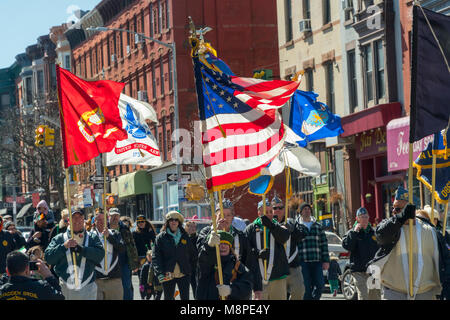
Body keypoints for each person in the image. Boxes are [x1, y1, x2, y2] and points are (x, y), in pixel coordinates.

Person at [368, 203, 450, 300]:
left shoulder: (431, 231)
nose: (394, 211)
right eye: (392, 208)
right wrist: (400, 218)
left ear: (411, 210)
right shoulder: (391, 227)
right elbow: (380, 235)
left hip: (424, 293)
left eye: (398, 209)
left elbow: (445, 261)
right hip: (394, 292)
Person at [44, 209, 104, 300]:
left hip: (88, 285)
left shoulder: (92, 237)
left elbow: (100, 255)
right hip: (66, 286)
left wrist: (82, 250)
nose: (77, 220)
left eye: (80, 217)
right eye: (74, 218)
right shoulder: (59, 238)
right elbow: (48, 258)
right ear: (68, 221)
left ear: (83, 219)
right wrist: (63, 247)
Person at [244, 198, 290, 300]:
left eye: (270, 211)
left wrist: (271, 226)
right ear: (259, 212)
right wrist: (258, 253)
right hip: (258, 279)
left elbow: (284, 237)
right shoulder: (250, 229)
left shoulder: (278, 225)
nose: (269, 214)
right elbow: (245, 251)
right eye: (265, 212)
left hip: (278, 276)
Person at [152, 211, 196, 300]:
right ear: (167, 222)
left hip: (184, 274)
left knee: (185, 298)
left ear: (179, 222)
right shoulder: (160, 238)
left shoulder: (185, 236)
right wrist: (159, 272)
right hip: (167, 274)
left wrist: (190, 269)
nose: (174, 222)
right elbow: (156, 257)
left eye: (176, 220)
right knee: (168, 298)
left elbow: (193, 254)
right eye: (171, 220)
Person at [197, 230, 253, 300]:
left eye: (226, 244)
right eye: (219, 244)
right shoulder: (208, 262)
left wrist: (231, 290)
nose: (223, 246)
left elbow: (247, 287)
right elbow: (204, 260)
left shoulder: (237, 265)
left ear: (230, 248)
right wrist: (209, 247)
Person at [341, 207, 381, 300]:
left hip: (373, 270)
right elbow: (348, 246)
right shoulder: (351, 233)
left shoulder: (373, 233)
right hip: (358, 270)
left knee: (375, 296)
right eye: (361, 217)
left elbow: (380, 250)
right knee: (364, 296)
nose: (364, 219)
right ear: (357, 219)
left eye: (366, 217)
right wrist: (355, 232)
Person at [272, 196, 306, 300]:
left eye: (280, 207)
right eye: (275, 208)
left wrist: (292, 230)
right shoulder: (268, 223)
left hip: (292, 265)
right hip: (275, 267)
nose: (278, 210)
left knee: (299, 291)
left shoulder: (291, 222)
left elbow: (303, 233)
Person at [297, 202, 330, 300]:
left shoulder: (317, 226)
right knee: (306, 287)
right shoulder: (297, 226)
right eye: (305, 209)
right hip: (303, 262)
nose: (307, 211)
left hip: (317, 261)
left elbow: (324, 244)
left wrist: (326, 260)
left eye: (308, 209)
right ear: (301, 212)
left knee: (320, 285)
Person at [0, 251, 64, 300]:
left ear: (7, 271)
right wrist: (49, 276)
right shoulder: (42, 287)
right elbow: (60, 297)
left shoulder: (2, 289)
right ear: (27, 270)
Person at [92, 210, 126, 300]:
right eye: (98, 219)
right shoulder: (89, 236)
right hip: (96, 280)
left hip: (113, 279)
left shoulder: (115, 233)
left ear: (107, 220)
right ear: (94, 221)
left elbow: (122, 249)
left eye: (103, 219)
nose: (101, 222)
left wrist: (109, 237)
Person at [112, 209, 139, 300]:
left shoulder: (125, 228)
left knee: (126, 285)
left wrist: (135, 263)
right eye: (112, 215)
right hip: (110, 263)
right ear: (109, 216)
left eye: (116, 215)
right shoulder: (105, 228)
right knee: (112, 287)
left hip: (124, 262)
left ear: (119, 217)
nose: (114, 218)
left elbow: (132, 246)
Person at [185, 220, 199, 299]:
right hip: (185, 266)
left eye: (194, 227)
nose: (193, 228)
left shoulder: (197, 237)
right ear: (186, 228)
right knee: (184, 289)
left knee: (195, 286)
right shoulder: (183, 237)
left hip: (194, 266)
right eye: (191, 226)